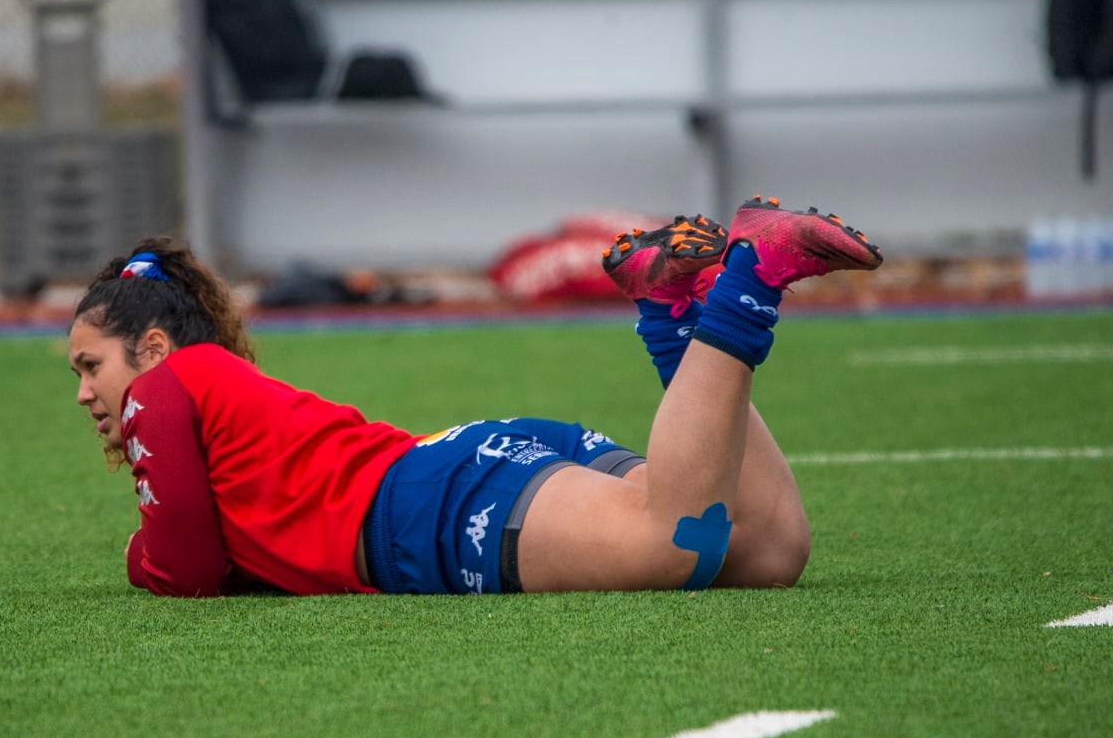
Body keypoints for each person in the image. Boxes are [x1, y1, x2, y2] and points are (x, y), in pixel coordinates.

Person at [67, 196, 883, 597]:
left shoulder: (167, 384)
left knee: (672, 541)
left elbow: (184, 567)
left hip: (426, 510)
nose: (84, 393)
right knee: (764, 555)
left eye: (89, 366)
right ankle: (670, 314)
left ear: (151, 346)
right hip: (458, 471)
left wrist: (140, 559)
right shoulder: (212, 384)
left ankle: (752, 276)